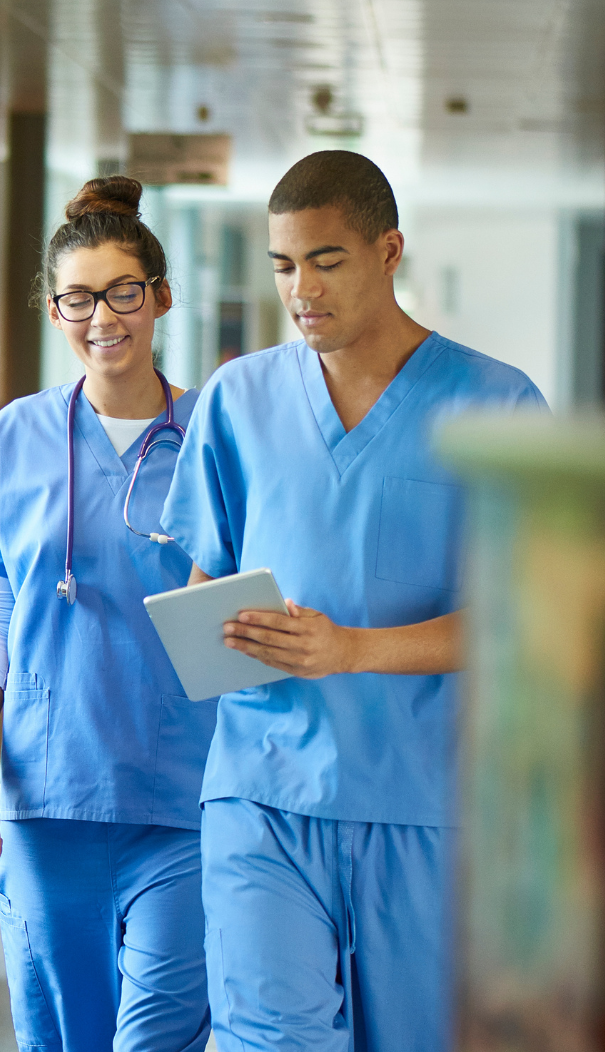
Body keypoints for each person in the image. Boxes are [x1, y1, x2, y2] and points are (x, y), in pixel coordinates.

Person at [161, 150, 548, 1051]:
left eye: (326, 261)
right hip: (260, 793)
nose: (303, 291)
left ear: (389, 250)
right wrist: (214, 627)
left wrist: (352, 650)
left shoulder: (496, 403)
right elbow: (204, 579)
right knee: (270, 1039)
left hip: (423, 805)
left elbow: (525, 620)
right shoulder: (239, 399)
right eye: (284, 266)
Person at [0, 176, 215, 1052]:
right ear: (54, 308)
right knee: (62, 1036)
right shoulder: (16, 437)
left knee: (157, 1037)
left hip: (186, 795)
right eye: (78, 297)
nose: (102, 316)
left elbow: (249, 607)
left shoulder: (213, 438)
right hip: (48, 794)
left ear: (161, 298)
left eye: (123, 292)